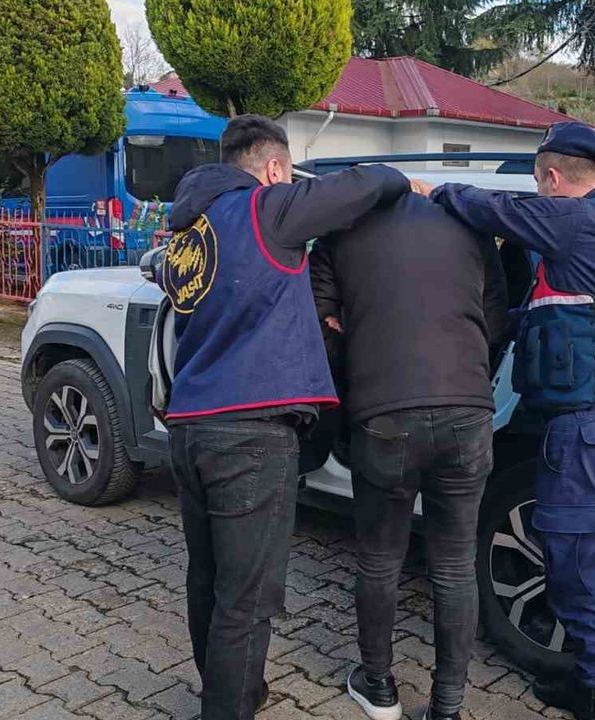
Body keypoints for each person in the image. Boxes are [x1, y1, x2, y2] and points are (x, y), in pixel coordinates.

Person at [157, 114, 413, 720]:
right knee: (247, 599)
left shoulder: (190, 231)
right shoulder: (267, 209)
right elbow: (370, 182)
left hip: (191, 427)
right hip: (251, 435)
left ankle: (233, 690)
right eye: (290, 175)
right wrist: (408, 183)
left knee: (208, 579)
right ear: (274, 170)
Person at [416, 122, 595, 720]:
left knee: (583, 569)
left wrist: (437, 193)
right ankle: (590, 679)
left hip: (590, 428)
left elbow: (497, 210)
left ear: (553, 178)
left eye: (539, 184)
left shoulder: (577, 221)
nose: (539, 195)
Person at [311, 192, 510, 720]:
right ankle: (447, 708)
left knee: (379, 559)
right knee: (455, 565)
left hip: (383, 414)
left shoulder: (339, 226)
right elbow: (496, 321)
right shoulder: (470, 226)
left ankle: (378, 687)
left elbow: (319, 326)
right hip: (467, 410)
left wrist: (359, 358)